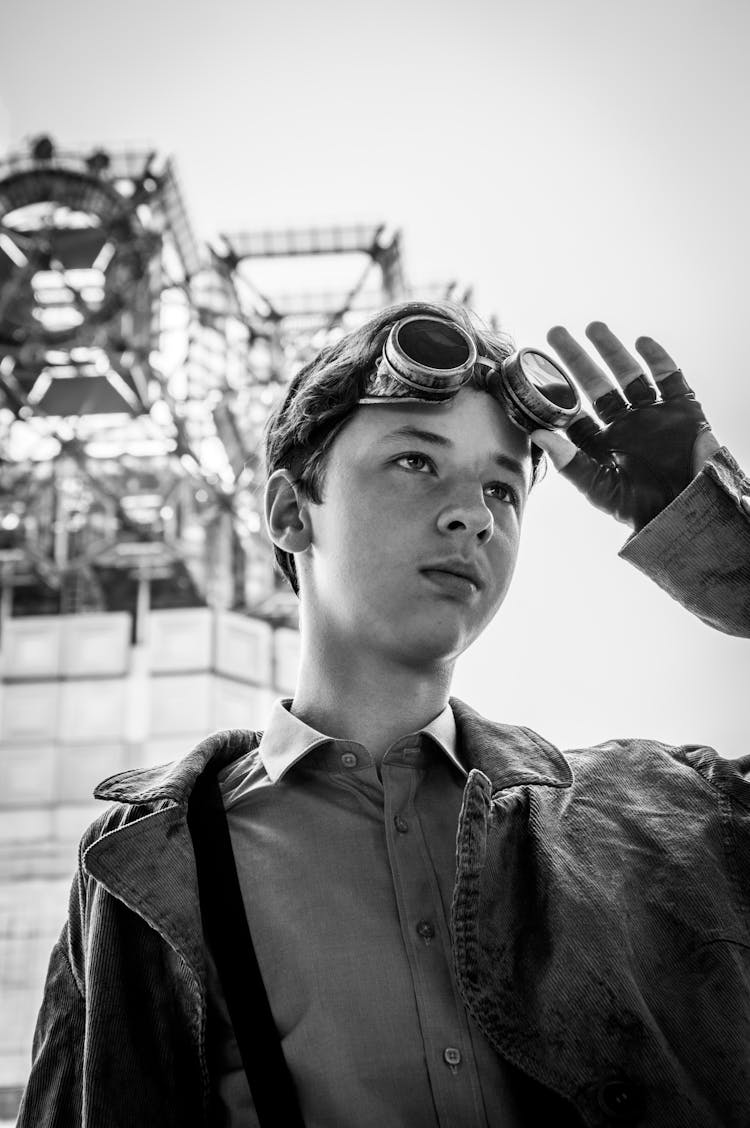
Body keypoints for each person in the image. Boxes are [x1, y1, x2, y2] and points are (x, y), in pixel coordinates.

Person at [17, 300, 750, 1127]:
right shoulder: (149, 863)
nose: (475, 514)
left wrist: (712, 524)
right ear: (293, 513)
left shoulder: (666, 812)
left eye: (503, 488)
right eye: (414, 461)